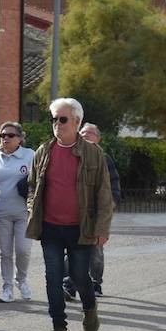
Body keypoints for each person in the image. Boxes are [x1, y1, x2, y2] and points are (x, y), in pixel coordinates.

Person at [26, 98, 114, 331]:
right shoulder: (44, 151)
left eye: (62, 119)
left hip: (80, 228)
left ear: (77, 122)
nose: (57, 124)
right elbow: (32, 187)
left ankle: (89, 306)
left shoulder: (93, 153)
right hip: (50, 227)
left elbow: (104, 194)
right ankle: (59, 329)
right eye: (54, 119)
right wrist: (33, 209)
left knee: (78, 275)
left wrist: (102, 228)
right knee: (52, 278)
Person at [0, 121, 35, 303]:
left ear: (19, 139)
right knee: (4, 252)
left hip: (24, 212)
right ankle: (7, 287)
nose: (5, 139)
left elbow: (41, 181)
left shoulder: (30, 156)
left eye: (10, 135)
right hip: (1, 212)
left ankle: (22, 280)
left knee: (23, 250)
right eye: (2, 135)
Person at [68, 123, 121, 298]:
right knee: (73, 248)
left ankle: (95, 282)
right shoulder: (72, 155)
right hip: (74, 212)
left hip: (97, 213)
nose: (85, 135)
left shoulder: (104, 159)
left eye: (90, 133)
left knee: (95, 249)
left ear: (98, 138)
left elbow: (114, 186)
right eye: (82, 133)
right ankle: (69, 284)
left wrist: (109, 207)